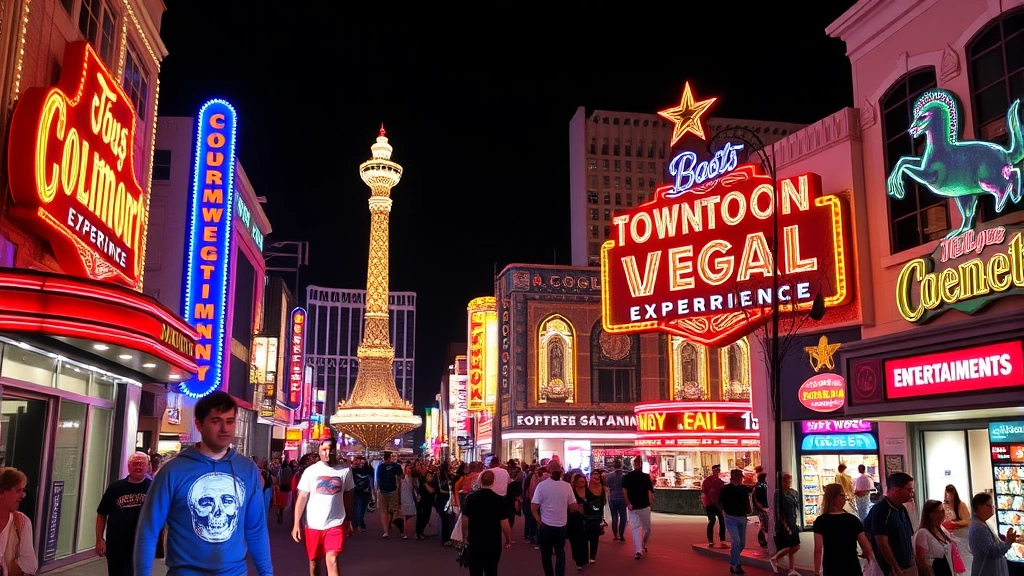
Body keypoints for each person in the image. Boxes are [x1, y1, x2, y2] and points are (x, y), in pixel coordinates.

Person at [134, 391, 272, 576]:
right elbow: (148, 530)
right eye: (216, 421)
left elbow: (256, 530)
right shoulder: (172, 471)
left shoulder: (248, 470)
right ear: (199, 424)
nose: (224, 428)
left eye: (230, 421)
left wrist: (267, 573)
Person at [292, 437, 355, 576]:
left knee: (332, 559)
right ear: (319, 451)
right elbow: (302, 497)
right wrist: (296, 524)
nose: (327, 453)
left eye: (330, 449)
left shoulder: (345, 470)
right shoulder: (310, 471)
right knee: (314, 563)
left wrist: (350, 520)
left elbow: (348, 496)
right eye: (323, 450)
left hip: (336, 523)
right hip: (313, 524)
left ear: (335, 450)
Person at [96, 451, 152, 576]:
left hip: (142, 542)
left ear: (148, 467)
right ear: (128, 466)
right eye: (135, 464)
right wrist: (99, 539)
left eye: (142, 464)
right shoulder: (115, 488)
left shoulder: (154, 488)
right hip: (116, 542)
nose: (138, 467)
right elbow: (101, 514)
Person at [813, 483, 874, 576]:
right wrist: (870, 563)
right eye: (842, 495)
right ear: (834, 498)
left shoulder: (821, 521)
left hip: (831, 568)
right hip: (852, 567)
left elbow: (818, 550)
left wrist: (817, 572)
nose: (845, 498)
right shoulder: (853, 520)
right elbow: (865, 547)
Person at [864, 472, 917, 576]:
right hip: (891, 570)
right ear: (896, 489)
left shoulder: (901, 508)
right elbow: (882, 543)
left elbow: (909, 536)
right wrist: (895, 567)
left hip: (906, 565)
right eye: (909, 490)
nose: (911, 493)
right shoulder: (881, 510)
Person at [532, 460, 579, 576]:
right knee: (560, 553)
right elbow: (574, 507)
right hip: (561, 525)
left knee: (546, 554)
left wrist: (538, 520)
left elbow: (533, 506)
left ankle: (549, 574)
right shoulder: (567, 486)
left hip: (545, 525)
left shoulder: (542, 486)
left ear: (549, 470)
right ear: (561, 471)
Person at [462, 470, 513, 576]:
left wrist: (465, 535)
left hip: (475, 540)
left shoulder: (471, 498)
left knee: (475, 570)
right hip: (493, 541)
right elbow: (505, 524)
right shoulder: (499, 500)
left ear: (480, 481)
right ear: (493, 481)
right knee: (492, 569)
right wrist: (508, 539)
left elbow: (465, 519)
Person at [968, 492, 1015, 576]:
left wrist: (1002, 538)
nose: (993, 508)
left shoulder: (982, 523)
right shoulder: (979, 527)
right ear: (979, 507)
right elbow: (992, 550)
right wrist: (1008, 543)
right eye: (989, 506)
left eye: (992, 506)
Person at [0, 468, 37, 576]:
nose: (23, 495)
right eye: (18, 490)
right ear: (2, 492)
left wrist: (5, 569)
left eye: (23, 490)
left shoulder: (21, 522)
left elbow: (30, 564)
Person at [622, 455, 655, 560]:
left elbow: (624, 491)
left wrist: (628, 503)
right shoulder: (646, 477)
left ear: (633, 464)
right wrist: (650, 504)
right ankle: (642, 544)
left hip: (633, 507)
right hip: (644, 506)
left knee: (635, 528)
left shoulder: (627, 477)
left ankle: (638, 550)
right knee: (647, 528)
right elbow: (650, 491)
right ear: (641, 464)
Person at [719, 468, 751, 574]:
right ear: (734, 478)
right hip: (731, 517)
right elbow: (721, 501)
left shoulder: (743, 489)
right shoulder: (726, 489)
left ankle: (735, 560)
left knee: (742, 543)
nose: (740, 480)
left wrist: (748, 509)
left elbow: (746, 500)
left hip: (742, 517)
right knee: (736, 541)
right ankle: (734, 564)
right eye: (739, 478)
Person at [770, 473, 802, 576]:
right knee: (790, 546)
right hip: (784, 523)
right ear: (782, 482)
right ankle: (775, 558)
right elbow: (778, 511)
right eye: (786, 482)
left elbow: (796, 506)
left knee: (794, 546)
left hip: (792, 520)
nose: (788, 484)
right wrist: (785, 525)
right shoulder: (778, 493)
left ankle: (791, 569)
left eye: (789, 482)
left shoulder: (792, 492)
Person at [915, 499, 956, 576]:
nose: (942, 515)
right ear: (930, 514)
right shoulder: (923, 533)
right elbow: (922, 563)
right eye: (938, 512)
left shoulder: (942, 530)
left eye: (942, 511)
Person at [941, 485, 971, 575]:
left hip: (960, 536)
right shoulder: (943, 506)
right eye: (946, 494)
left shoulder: (961, 505)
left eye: (949, 494)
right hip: (948, 536)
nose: (947, 496)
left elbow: (967, 521)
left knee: (964, 560)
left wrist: (954, 523)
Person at [375, 451, 404, 538]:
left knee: (384, 511)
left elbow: (378, 479)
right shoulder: (396, 466)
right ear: (390, 457)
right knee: (394, 509)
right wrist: (399, 488)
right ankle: (393, 522)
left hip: (382, 490)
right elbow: (400, 477)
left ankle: (386, 531)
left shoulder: (380, 466)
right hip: (393, 490)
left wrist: (376, 490)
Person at [702, 464, 728, 548]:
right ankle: (713, 540)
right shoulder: (709, 481)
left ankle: (720, 540)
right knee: (714, 520)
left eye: (718, 470)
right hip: (711, 504)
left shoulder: (718, 481)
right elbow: (707, 492)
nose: (717, 472)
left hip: (714, 504)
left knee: (720, 521)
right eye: (716, 470)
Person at [605, 458, 627, 542]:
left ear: (614, 466)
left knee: (614, 516)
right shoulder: (624, 476)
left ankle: (615, 534)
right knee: (623, 516)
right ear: (621, 465)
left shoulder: (609, 475)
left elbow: (607, 485)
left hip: (612, 497)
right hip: (622, 498)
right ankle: (621, 534)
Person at [350, 455, 373, 532]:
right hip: (357, 491)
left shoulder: (368, 469)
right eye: (358, 461)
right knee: (358, 508)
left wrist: (372, 491)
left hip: (366, 492)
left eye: (362, 461)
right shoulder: (352, 470)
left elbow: (371, 480)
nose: (360, 463)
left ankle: (359, 523)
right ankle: (358, 525)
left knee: (363, 509)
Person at [752, 472, 770, 549]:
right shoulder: (760, 487)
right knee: (764, 524)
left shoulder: (759, 486)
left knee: (764, 524)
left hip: (763, 508)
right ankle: (762, 540)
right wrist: (763, 508)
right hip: (763, 508)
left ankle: (763, 540)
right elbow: (757, 499)